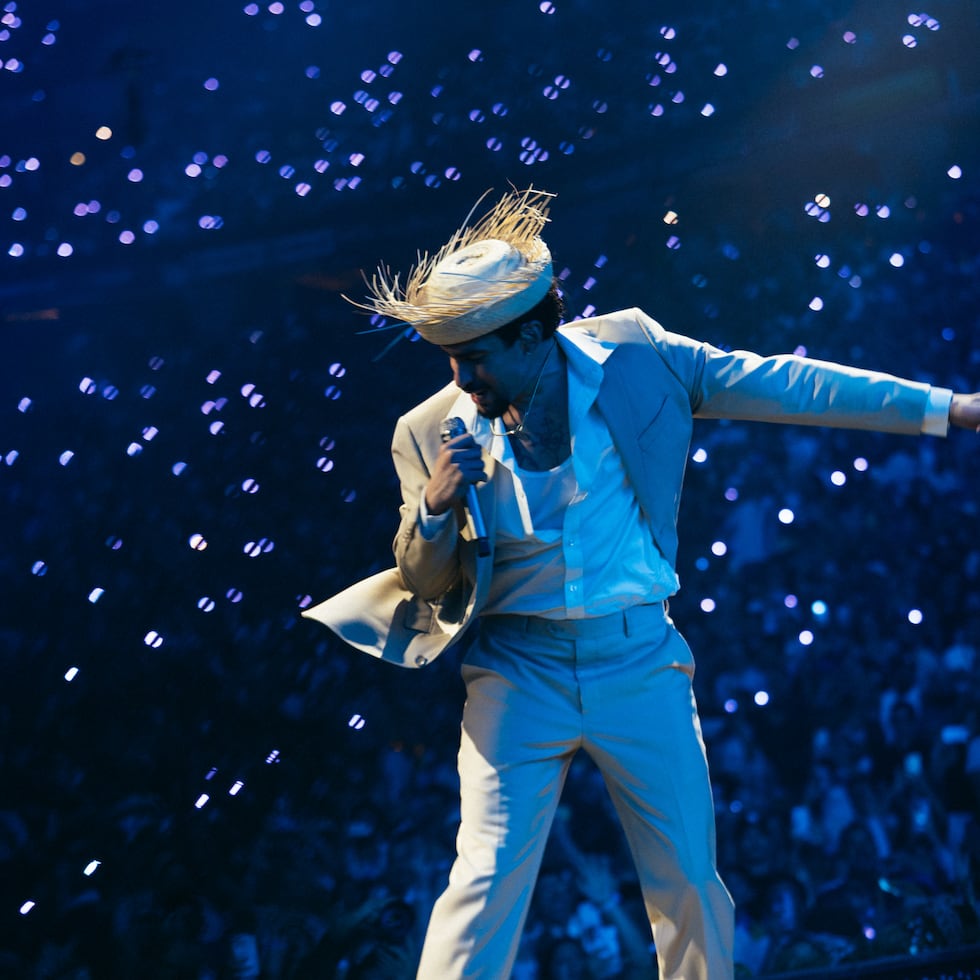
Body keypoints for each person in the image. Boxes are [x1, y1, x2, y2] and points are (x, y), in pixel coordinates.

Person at [302, 186, 980, 979]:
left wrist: (954, 408)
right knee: (482, 881)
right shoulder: (426, 431)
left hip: (639, 659)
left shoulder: (636, 356)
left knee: (689, 881)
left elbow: (785, 385)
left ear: (535, 332)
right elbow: (424, 579)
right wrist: (433, 509)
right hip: (518, 673)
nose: (463, 377)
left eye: (477, 357)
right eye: (453, 359)